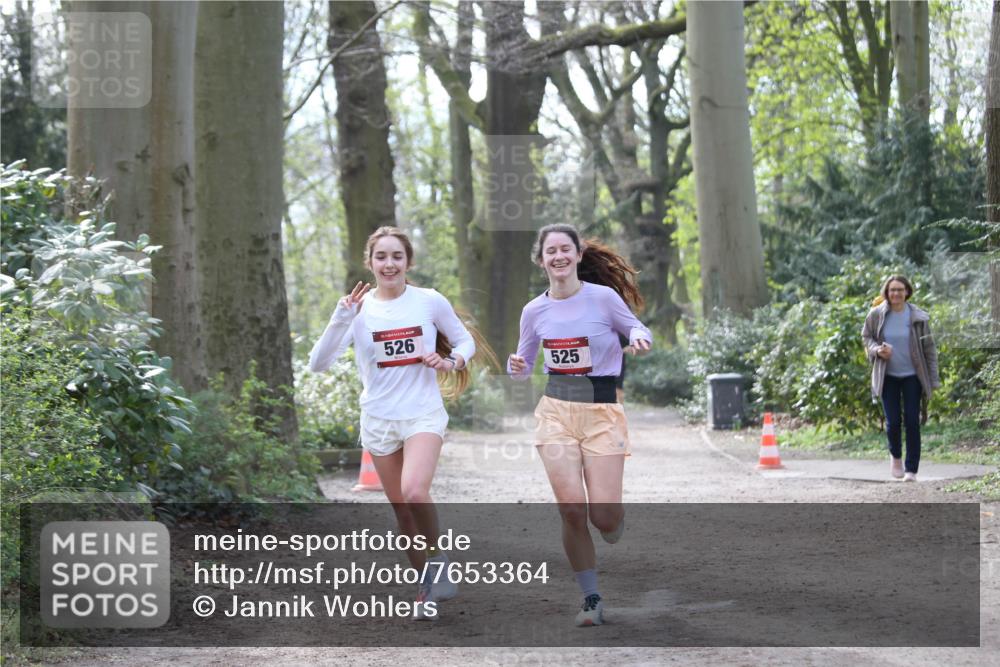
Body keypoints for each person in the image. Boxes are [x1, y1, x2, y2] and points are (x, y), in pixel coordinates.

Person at [309, 226, 476, 620]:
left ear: (408, 262)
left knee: (415, 493)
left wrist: (450, 361)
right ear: (370, 263)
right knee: (403, 513)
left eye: (397, 256)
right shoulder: (357, 310)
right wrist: (340, 318)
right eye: (381, 257)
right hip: (379, 419)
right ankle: (427, 589)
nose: (389, 264)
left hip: (422, 412)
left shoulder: (429, 301)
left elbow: (464, 340)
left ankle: (439, 563)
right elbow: (318, 364)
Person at [507, 224, 652, 627]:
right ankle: (591, 597)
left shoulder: (603, 299)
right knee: (571, 509)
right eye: (550, 251)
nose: (558, 256)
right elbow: (522, 365)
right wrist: (515, 366)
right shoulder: (534, 311)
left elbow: (636, 326)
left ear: (577, 254)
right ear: (541, 260)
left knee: (602, 517)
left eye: (564, 249)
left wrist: (640, 338)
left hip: (601, 411)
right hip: (556, 410)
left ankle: (613, 519)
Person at [861, 275, 940, 482]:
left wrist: (933, 379)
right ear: (886, 292)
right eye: (892, 290)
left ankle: (911, 469)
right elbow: (866, 337)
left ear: (907, 292)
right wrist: (877, 350)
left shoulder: (917, 317)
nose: (896, 293)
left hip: (913, 376)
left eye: (900, 289)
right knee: (893, 421)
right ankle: (896, 456)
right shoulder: (876, 315)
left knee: (912, 421)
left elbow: (930, 349)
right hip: (888, 376)